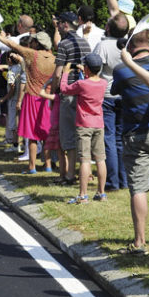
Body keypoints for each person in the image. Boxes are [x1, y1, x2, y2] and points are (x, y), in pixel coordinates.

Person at [112, 30, 149, 255]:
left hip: (135, 134)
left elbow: (115, 90)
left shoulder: (121, 70)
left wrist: (128, 62)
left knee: (138, 188)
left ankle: (140, 242)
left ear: (130, 46)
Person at [0, 30, 55, 174]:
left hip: (32, 97)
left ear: (37, 43)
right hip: (46, 99)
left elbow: (12, 44)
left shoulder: (32, 55)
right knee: (46, 134)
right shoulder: (53, 59)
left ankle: (32, 167)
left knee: (32, 136)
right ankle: (48, 165)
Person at [60, 53, 108, 204]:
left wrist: (65, 73)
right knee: (100, 159)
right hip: (99, 124)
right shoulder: (103, 83)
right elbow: (90, 81)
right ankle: (101, 193)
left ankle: (83, 195)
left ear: (86, 68)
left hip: (84, 125)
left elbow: (64, 89)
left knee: (85, 160)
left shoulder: (82, 84)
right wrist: (86, 71)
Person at [52, 11, 92, 185]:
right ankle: (87, 172)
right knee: (82, 134)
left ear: (66, 25)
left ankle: (69, 175)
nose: (58, 26)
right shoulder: (85, 43)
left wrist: (55, 89)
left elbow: (58, 72)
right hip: (83, 92)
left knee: (68, 135)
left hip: (68, 93)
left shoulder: (64, 44)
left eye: (59, 23)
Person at [93, 13, 129, 192]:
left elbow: (95, 70)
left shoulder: (103, 45)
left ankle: (112, 181)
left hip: (106, 95)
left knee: (108, 139)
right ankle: (124, 180)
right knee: (121, 139)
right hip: (125, 95)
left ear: (108, 28)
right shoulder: (128, 45)